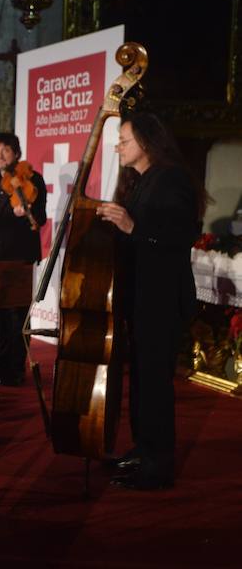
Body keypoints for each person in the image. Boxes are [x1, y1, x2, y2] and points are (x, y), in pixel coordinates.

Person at [97, 113, 204, 490]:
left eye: (123, 140)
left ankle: (158, 465)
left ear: (145, 141)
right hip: (142, 298)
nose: (117, 146)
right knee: (142, 381)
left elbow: (179, 237)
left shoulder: (170, 178)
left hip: (160, 300)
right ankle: (144, 449)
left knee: (155, 383)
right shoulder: (143, 181)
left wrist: (132, 227)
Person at [0, 132, 47, 386]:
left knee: (18, 314)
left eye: (5, 150)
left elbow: (41, 218)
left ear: (16, 153)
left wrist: (26, 213)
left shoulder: (33, 179)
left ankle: (15, 369)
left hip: (20, 256)